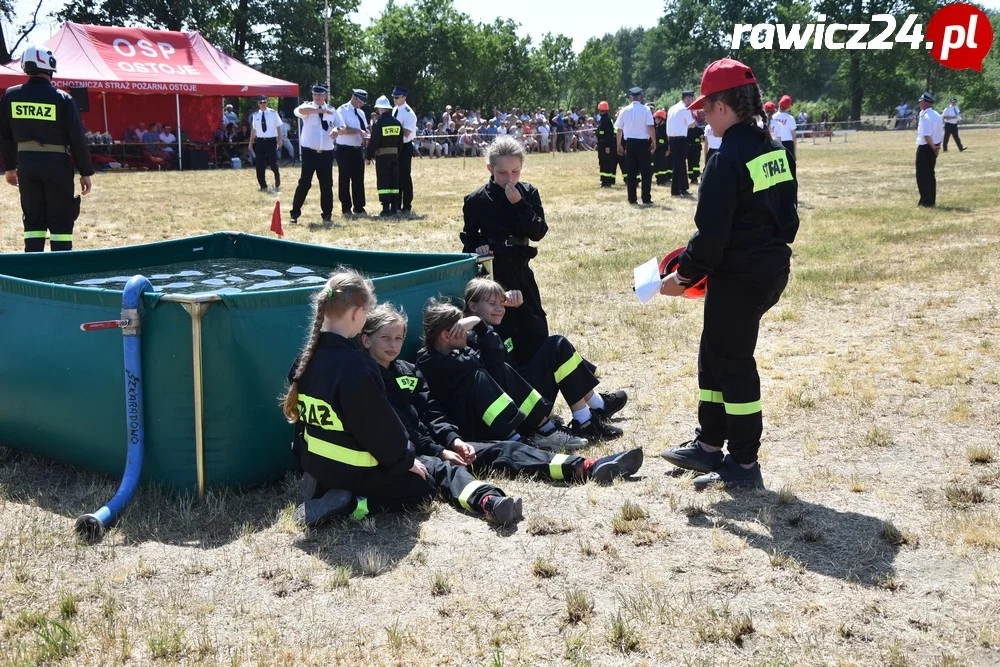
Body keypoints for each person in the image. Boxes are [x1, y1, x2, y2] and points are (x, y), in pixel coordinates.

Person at [284, 271, 523, 528]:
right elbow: (378, 429)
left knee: (426, 469)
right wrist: (406, 461)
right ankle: (353, 502)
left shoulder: (305, 360)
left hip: (319, 465)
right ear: (356, 314)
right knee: (425, 483)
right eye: (366, 312)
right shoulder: (356, 366)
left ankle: (325, 488)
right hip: (353, 470)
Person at [658, 58, 799, 489]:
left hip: (739, 276)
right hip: (767, 269)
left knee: (732, 364)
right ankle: (707, 444)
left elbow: (712, 236)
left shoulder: (725, 160)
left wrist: (681, 277)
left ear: (723, 105)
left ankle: (742, 464)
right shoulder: (774, 150)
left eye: (705, 107)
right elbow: (786, 221)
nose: (700, 115)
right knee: (713, 353)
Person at [361, 304, 642, 485]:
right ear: (447, 334)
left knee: (513, 449)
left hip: (455, 440)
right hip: (447, 442)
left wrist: (453, 441)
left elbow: (434, 411)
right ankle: (533, 443)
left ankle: (587, 465)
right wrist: (445, 447)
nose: (394, 344)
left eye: (398, 338)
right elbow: (415, 422)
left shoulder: (409, 369)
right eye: (386, 338)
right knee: (485, 382)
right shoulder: (422, 362)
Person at [463, 277, 627, 441]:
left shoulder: (501, 325)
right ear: (472, 306)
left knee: (557, 345)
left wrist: (521, 308)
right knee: (557, 345)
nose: (499, 309)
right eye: (492, 304)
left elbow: (539, 337)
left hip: (528, 398)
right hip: (518, 411)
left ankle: (587, 417)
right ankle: (589, 417)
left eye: (501, 303)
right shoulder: (474, 338)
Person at [416, 300, 587, 451]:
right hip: (468, 427)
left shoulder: (461, 350)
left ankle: (544, 428)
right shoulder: (428, 360)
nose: (468, 334)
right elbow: (474, 365)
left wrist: (480, 325)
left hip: (485, 419)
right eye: (463, 329)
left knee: (500, 368)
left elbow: (497, 357)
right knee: (479, 375)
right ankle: (519, 438)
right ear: (447, 335)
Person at [460, 136, 550, 358]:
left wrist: (519, 204)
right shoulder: (476, 200)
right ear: (490, 168)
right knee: (503, 329)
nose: (509, 178)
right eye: (502, 173)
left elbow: (538, 232)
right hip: (494, 275)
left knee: (536, 326)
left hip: (521, 270)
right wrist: (477, 247)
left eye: (515, 172)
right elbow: (468, 240)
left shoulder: (528, 193)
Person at [0, 45, 93, 252]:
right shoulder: (62, 98)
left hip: (26, 163)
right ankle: (60, 270)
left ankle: (34, 269)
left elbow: (5, 136)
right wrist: (85, 172)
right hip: (56, 164)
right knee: (61, 221)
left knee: (33, 221)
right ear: (49, 66)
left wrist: (10, 168)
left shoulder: (10, 96)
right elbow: (77, 138)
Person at [290, 84, 341, 224]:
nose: (318, 97)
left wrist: (336, 130)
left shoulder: (332, 111)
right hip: (309, 153)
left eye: (320, 95)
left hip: (326, 153)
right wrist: (319, 110)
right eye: (315, 95)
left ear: (325, 95)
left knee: (326, 185)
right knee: (304, 183)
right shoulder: (308, 108)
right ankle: (294, 213)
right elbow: (298, 111)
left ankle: (327, 215)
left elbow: (340, 124)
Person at [615, 87, 656, 205]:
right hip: (643, 144)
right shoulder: (646, 109)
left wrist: (619, 144)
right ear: (641, 97)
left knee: (631, 173)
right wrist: (654, 142)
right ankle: (646, 198)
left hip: (630, 144)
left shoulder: (624, 110)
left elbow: (619, 129)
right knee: (645, 172)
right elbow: (650, 127)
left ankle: (632, 198)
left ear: (630, 98)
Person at [365, 95, 402, 217]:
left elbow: (374, 141)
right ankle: (395, 207)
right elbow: (400, 142)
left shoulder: (379, 123)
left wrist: (368, 156)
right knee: (394, 180)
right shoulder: (397, 123)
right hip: (395, 155)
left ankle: (385, 208)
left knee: (383, 181)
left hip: (382, 157)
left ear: (380, 109)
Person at [336, 89, 369, 217]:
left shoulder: (361, 113)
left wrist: (367, 135)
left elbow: (364, 128)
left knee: (358, 179)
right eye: (359, 102)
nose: (361, 105)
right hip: (344, 149)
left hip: (357, 149)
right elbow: (341, 129)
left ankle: (359, 206)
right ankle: (346, 208)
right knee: (344, 179)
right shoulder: (342, 110)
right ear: (354, 97)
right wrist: (357, 131)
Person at [391, 86, 417, 214]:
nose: (394, 99)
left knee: (405, 175)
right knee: (396, 175)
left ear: (404, 98)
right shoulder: (394, 110)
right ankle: (396, 203)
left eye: (397, 97)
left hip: (405, 146)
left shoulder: (408, 112)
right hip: (395, 146)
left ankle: (407, 205)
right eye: (394, 97)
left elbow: (407, 133)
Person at [249, 95, 283, 194]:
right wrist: (251, 142)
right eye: (260, 102)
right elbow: (254, 130)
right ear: (258, 104)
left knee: (272, 162)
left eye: (264, 102)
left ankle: (277, 176)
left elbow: (278, 126)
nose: (263, 104)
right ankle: (262, 185)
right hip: (260, 141)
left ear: (267, 102)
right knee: (259, 164)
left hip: (271, 140)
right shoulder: (255, 115)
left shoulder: (273, 113)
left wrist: (279, 139)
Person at [915, 91, 943, 208]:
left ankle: (925, 201)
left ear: (925, 103)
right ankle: (931, 199)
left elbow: (926, 135)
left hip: (926, 147)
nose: (920, 103)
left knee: (922, 175)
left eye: (921, 101)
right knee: (931, 174)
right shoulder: (937, 115)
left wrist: (933, 147)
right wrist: (937, 148)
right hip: (934, 147)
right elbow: (940, 133)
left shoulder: (925, 116)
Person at [666, 90, 696, 196]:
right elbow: (692, 125)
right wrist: (694, 115)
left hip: (672, 138)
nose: (692, 101)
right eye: (691, 99)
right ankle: (675, 190)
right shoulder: (685, 109)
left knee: (680, 164)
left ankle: (683, 187)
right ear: (687, 98)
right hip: (680, 139)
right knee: (679, 165)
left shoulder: (672, 108)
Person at [686, 110, 705, 184]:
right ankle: (691, 177)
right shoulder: (687, 130)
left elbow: (703, 139)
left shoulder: (699, 130)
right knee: (690, 163)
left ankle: (695, 177)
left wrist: (702, 137)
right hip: (689, 148)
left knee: (696, 163)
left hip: (696, 148)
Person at [652, 109, 670, 186]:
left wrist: (667, 149)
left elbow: (667, 140)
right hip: (657, 150)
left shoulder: (665, 128)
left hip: (662, 150)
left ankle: (662, 180)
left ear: (661, 119)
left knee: (662, 166)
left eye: (656, 118)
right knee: (657, 166)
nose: (654, 120)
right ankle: (659, 179)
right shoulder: (657, 127)